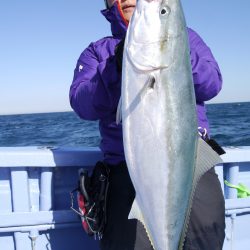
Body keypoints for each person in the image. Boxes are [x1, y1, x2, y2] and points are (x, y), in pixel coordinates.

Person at [69, 0, 225, 249]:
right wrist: (114, 68)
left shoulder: (186, 36)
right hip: (126, 169)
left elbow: (212, 83)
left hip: (191, 163)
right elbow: (81, 103)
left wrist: (175, 50)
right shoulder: (98, 52)